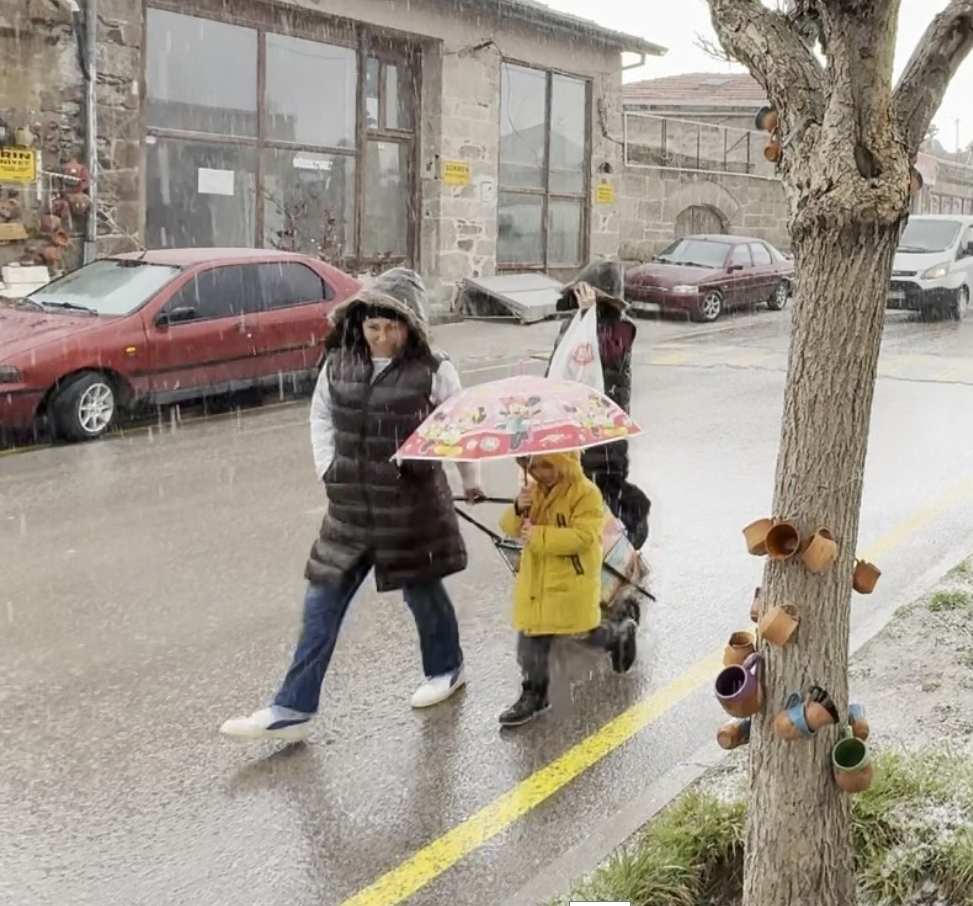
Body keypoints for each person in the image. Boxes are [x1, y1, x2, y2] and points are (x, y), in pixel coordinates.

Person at [220, 268, 484, 742]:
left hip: (411, 509)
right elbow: (321, 415)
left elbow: (457, 428)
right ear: (359, 324)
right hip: (349, 508)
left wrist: (471, 479)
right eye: (372, 327)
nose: (380, 337)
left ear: (411, 326)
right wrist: (328, 468)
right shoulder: (339, 362)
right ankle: (292, 707)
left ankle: (448, 667)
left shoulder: (436, 369)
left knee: (422, 595)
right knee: (321, 600)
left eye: (391, 328)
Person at [497, 453, 637, 728]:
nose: (537, 472)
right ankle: (535, 693)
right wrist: (517, 507)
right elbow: (512, 529)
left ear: (564, 463)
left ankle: (618, 636)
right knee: (531, 636)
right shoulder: (531, 491)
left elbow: (584, 537)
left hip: (570, 580)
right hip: (536, 582)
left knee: (582, 634)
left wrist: (540, 536)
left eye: (546, 465)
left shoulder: (586, 494)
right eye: (532, 465)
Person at [552, 261, 651, 549]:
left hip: (605, 433)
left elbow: (601, 355)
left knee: (605, 487)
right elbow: (561, 366)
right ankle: (591, 545)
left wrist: (588, 314)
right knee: (579, 490)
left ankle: (628, 536)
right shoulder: (573, 326)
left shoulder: (620, 329)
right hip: (574, 428)